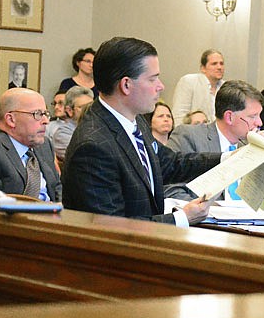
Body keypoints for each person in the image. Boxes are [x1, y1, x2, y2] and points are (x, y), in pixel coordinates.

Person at [62, 37, 222, 226]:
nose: (160, 86)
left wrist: (227, 159)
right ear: (126, 85)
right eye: (153, 79)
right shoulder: (93, 146)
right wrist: (181, 218)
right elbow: (110, 227)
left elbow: (169, 163)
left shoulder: (135, 119)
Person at [168, 80, 264, 200]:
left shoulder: (251, 145)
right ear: (229, 117)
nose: (259, 123)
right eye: (252, 116)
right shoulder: (189, 136)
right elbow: (171, 189)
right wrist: (204, 210)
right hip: (206, 217)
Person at [0, 88, 61, 201]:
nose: (45, 121)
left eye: (45, 114)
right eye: (37, 114)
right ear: (11, 119)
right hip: (13, 216)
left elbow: (57, 189)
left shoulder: (44, 145)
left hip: (54, 215)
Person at [171, 49, 224, 124]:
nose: (219, 67)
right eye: (214, 64)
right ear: (203, 68)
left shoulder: (225, 87)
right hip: (192, 133)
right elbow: (179, 115)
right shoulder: (189, 81)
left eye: (221, 63)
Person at [52, 86, 94, 164]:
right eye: (84, 107)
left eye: (92, 105)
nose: (90, 110)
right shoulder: (63, 133)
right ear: (69, 111)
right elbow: (85, 158)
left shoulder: (98, 127)